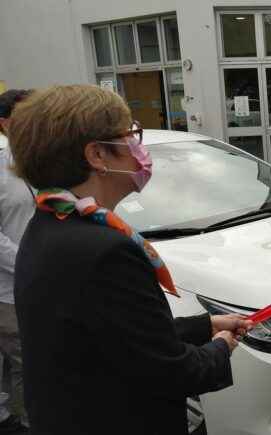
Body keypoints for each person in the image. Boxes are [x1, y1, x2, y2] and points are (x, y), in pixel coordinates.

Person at [8, 84, 253, 435]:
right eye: (130, 135)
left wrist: (204, 326)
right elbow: (170, 371)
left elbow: (116, 334)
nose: (139, 147)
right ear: (97, 156)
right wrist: (219, 349)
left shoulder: (53, 222)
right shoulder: (102, 249)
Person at [0, 89, 33, 435]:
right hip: (10, 290)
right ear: (5, 123)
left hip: (46, 281)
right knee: (28, 362)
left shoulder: (45, 164)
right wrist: (28, 263)